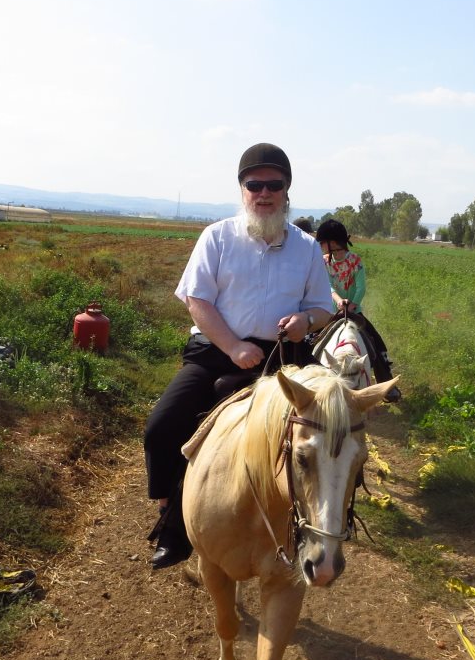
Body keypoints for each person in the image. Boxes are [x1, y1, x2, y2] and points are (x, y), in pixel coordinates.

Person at [143, 143, 335, 569]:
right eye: (255, 184)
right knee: (162, 427)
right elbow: (197, 301)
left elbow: (323, 307)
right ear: (242, 189)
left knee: (324, 437)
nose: (264, 193)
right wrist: (233, 346)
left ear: (287, 191)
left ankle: (317, 527)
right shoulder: (217, 237)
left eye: (274, 185)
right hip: (216, 352)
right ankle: (173, 522)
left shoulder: (305, 248)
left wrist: (307, 321)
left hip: (283, 361)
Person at [314, 218, 400, 400]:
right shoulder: (324, 262)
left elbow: (361, 287)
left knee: (376, 341)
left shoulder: (355, 261)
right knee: (309, 341)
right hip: (331, 311)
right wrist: (339, 300)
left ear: (333, 243)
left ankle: (387, 384)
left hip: (353, 309)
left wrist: (352, 304)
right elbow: (328, 285)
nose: (320, 245)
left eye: (323, 242)